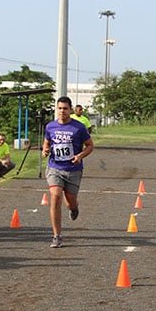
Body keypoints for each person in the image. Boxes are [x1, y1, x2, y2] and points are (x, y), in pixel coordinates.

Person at [41, 96, 94, 248]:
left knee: (71, 201)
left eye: (65, 108)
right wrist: (45, 150)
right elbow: (47, 142)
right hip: (55, 168)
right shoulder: (50, 126)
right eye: (59, 108)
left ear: (70, 110)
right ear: (56, 109)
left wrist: (80, 156)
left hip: (73, 170)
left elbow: (90, 146)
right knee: (56, 196)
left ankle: (74, 208)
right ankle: (57, 236)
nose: (62, 111)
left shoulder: (78, 127)